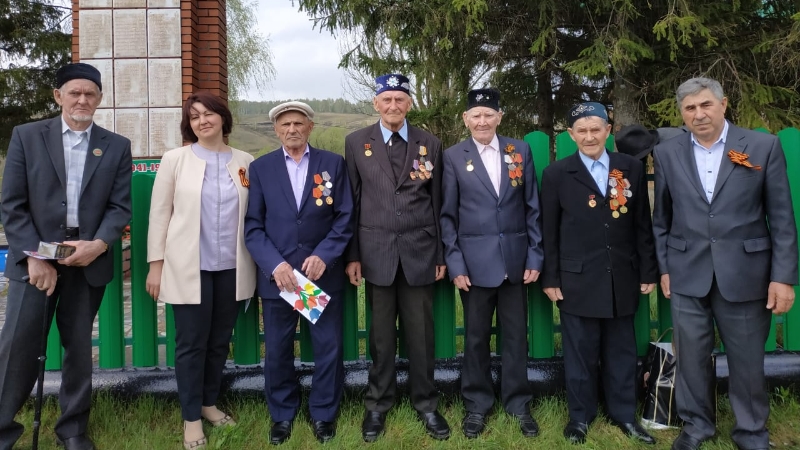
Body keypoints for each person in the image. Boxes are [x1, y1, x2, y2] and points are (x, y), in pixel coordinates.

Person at [652, 77, 798, 450]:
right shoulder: (667, 153)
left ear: (723, 104)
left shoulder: (762, 147)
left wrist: (782, 277)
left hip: (746, 272)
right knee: (691, 358)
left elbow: (781, 218)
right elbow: (662, 219)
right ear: (682, 114)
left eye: (705, 105)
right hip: (687, 271)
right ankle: (697, 426)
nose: (698, 114)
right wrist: (665, 267)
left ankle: (751, 432)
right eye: (689, 108)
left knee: (747, 359)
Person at [0, 63, 132, 450]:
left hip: (87, 260)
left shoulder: (116, 145)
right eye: (74, 92)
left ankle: (73, 430)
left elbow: (119, 207)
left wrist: (99, 245)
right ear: (58, 96)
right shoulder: (27, 136)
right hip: (36, 260)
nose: (82, 99)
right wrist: (34, 259)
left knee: (78, 348)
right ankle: (3, 428)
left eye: (90, 94)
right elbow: (12, 205)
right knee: (18, 346)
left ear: (100, 99)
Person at [540, 102, 658, 445]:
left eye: (596, 129)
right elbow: (549, 230)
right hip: (577, 279)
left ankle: (624, 415)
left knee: (622, 351)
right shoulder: (557, 174)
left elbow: (641, 225)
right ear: (571, 134)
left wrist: (647, 269)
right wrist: (551, 277)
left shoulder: (630, 168)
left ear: (609, 129)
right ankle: (580, 417)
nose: (589, 136)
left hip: (622, 276)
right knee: (580, 353)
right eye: (582, 130)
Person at [146, 92, 256, 450]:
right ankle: (191, 419)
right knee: (191, 345)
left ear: (223, 118)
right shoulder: (175, 159)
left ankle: (209, 403)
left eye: (209, 114)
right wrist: (156, 266)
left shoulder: (245, 161)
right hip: (188, 267)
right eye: (194, 117)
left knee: (218, 342)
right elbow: (160, 214)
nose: (202, 121)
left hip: (232, 267)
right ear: (188, 125)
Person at [344, 74, 450, 442]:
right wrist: (353, 254)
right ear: (376, 103)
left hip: (420, 252)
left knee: (422, 336)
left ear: (409, 103)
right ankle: (377, 405)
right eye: (386, 99)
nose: (393, 106)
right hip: (377, 254)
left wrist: (439, 252)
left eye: (399, 100)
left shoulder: (429, 143)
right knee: (381, 337)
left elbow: (437, 202)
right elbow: (352, 203)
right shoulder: (357, 143)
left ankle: (426, 404)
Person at [244, 101, 353, 445]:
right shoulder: (261, 168)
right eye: (285, 124)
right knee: (277, 349)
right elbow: (253, 226)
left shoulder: (333, 164)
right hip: (282, 279)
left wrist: (326, 254)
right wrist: (276, 266)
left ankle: (323, 414)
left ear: (310, 127)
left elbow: (345, 216)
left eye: (298, 123)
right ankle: (282, 415)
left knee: (328, 347)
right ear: (275, 129)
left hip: (318, 275)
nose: (292, 129)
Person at [439, 88, 542, 439]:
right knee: (476, 338)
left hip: (515, 263)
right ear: (466, 120)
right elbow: (447, 216)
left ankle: (518, 404)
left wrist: (534, 254)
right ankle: (477, 405)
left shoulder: (519, 151)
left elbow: (532, 207)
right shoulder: (454, 157)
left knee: (516, 338)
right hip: (473, 266)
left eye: (488, 114)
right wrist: (455, 264)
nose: (482, 121)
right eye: (475, 115)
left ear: (500, 117)